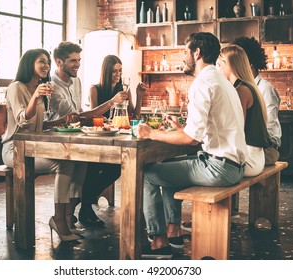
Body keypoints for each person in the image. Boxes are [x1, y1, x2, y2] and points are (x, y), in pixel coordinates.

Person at [134, 32, 247, 258]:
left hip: (219, 168)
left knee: (146, 173)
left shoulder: (202, 83)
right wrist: (179, 130)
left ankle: (158, 241)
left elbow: (191, 140)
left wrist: (151, 133)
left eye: (185, 52)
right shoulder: (222, 81)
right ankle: (174, 233)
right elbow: (202, 132)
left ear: (197, 53)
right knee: (168, 163)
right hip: (235, 165)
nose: (183, 57)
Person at [46, 43, 135, 228]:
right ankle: (74, 212)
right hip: (57, 141)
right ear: (59, 61)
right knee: (92, 164)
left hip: (76, 136)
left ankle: (78, 210)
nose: (78, 64)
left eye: (79, 60)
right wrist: (110, 103)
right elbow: (75, 117)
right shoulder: (52, 86)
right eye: (73, 60)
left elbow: (79, 116)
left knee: (112, 166)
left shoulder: (75, 81)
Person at [1, 48, 82, 242]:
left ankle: (68, 217)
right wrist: (36, 96)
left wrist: (61, 120)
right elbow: (23, 120)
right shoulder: (16, 87)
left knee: (79, 159)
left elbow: (40, 124)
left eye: (47, 62)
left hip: (35, 146)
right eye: (41, 61)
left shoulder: (41, 87)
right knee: (64, 163)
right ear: (29, 64)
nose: (46, 65)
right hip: (15, 150)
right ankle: (59, 219)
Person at [78, 54, 146, 226]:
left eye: (120, 70)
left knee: (117, 168)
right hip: (98, 139)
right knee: (93, 167)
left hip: (117, 139)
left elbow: (134, 116)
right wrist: (112, 101)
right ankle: (85, 207)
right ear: (106, 71)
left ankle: (83, 202)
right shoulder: (95, 89)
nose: (117, 74)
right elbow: (94, 116)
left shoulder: (123, 90)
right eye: (114, 71)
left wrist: (139, 96)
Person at [217, 44, 270, 177]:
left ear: (229, 65)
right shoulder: (249, 87)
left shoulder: (241, 91)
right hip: (256, 156)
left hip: (249, 160)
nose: (217, 70)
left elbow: (236, 130)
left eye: (219, 65)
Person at [233, 37, 282, 165]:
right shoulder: (242, 88)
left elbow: (269, 129)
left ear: (249, 66)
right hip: (255, 146)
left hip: (268, 149)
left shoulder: (265, 89)